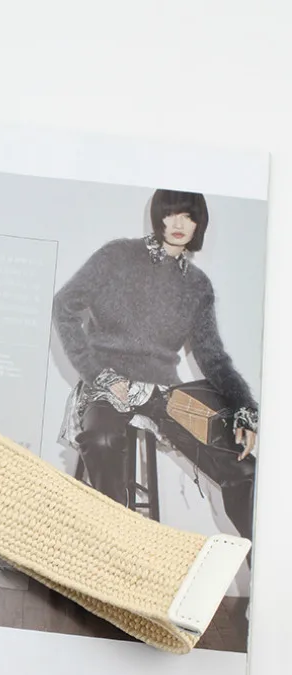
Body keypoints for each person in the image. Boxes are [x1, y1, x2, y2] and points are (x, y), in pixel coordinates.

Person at [52, 189, 258, 558]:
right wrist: (98, 373)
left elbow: (213, 357)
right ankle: (114, 552)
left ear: (199, 224)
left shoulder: (197, 286)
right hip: (109, 384)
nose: (179, 223)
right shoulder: (117, 255)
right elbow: (64, 307)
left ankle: (264, 571)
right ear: (158, 215)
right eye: (171, 213)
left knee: (243, 468)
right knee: (101, 440)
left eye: (189, 216)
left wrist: (243, 407)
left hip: (164, 392)